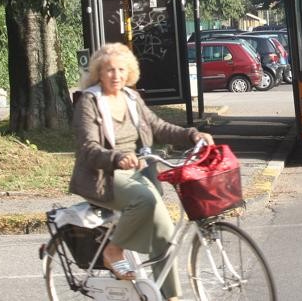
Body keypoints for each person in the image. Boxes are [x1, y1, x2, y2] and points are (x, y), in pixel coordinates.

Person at [70, 42, 213, 301]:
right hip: (104, 176)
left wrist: (192, 135)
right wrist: (117, 158)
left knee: (164, 233)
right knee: (144, 200)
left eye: (121, 70)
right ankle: (114, 250)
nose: (116, 75)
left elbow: (158, 127)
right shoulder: (89, 101)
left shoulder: (131, 98)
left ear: (130, 72)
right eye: (110, 70)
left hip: (138, 173)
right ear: (99, 73)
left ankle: (170, 296)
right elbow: (87, 149)